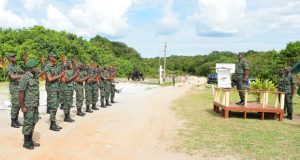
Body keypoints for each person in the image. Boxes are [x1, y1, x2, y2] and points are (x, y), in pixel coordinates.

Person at [19, 59, 40, 149]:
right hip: (28, 105)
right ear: (31, 68)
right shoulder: (25, 77)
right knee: (28, 122)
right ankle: (26, 142)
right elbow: (21, 93)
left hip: (34, 104)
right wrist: (22, 106)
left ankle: (30, 140)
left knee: (33, 121)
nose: (36, 68)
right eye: (35, 67)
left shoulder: (34, 77)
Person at [44, 53, 65, 131]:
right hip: (51, 89)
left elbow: (60, 75)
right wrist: (60, 75)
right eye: (54, 57)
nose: (56, 58)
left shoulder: (56, 67)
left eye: (56, 57)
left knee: (56, 106)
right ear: (50, 58)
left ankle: (54, 123)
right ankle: (52, 125)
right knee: (53, 107)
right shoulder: (47, 67)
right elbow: (49, 79)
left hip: (56, 89)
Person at [7, 52, 24, 128]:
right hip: (14, 88)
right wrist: (21, 75)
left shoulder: (16, 66)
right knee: (15, 105)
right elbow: (12, 77)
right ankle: (13, 121)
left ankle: (16, 120)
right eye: (13, 57)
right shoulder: (9, 67)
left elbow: (22, 71)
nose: (14, 58)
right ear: (10, 58)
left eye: (14, 57)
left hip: (19, 87)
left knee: (18, 105)